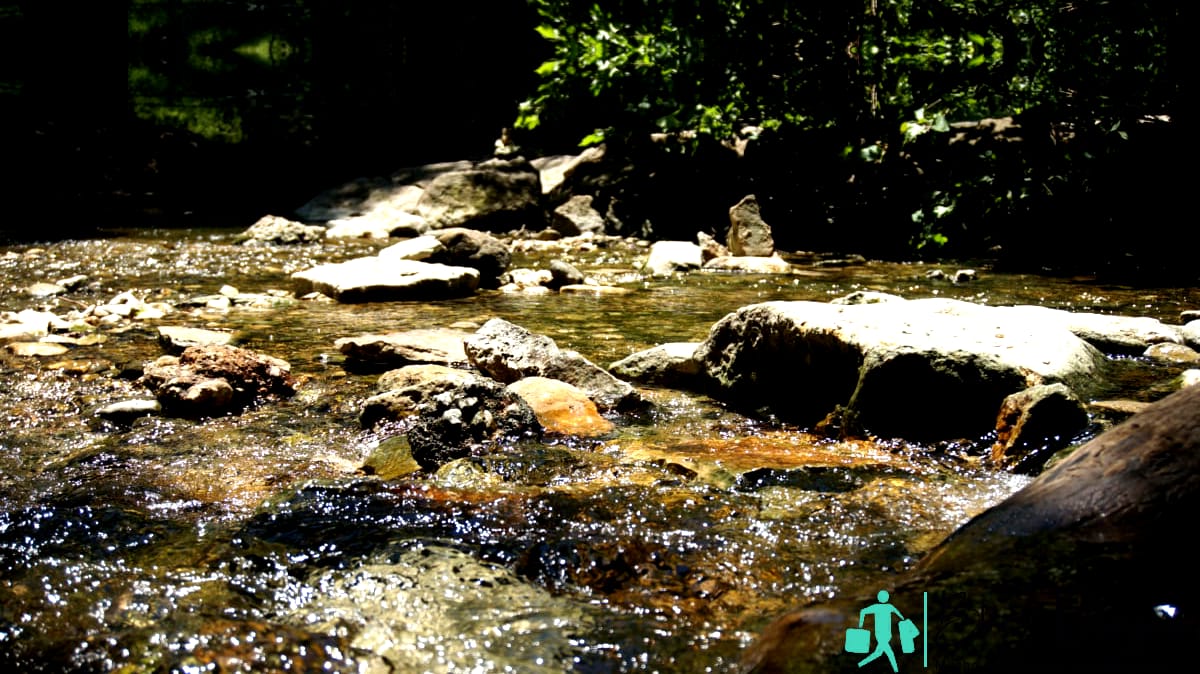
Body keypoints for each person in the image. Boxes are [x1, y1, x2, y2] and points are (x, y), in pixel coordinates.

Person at [858, 589, 906, 672]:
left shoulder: (877, 607)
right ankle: (896, 670)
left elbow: (863, 611)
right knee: (889, 653)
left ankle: (861, 664)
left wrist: (861, 625)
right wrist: (903, 619)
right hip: (882, 635)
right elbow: (899, 614)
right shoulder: (889, 607)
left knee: (878, 653)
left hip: (883, 635)